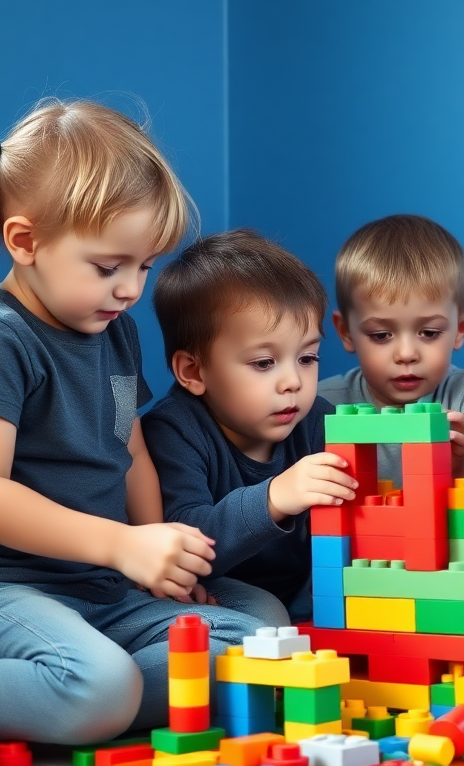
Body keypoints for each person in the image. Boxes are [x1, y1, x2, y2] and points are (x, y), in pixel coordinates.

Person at [0, 100, 284, 763]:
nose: (130, 289)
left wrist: (161, 563)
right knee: (100, 689)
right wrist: (119, 546)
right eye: (108, 267)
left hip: (96, 590)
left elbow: (129, 451)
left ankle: (72, 686)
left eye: (145, 266)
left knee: (267, 634)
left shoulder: (115, 332)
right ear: (24, 242)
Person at [142, 229, 358, 623]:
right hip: (214, 591)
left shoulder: (318, 422)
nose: (292, 381)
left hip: (303, 597)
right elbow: (187, 540)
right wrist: (274, 497)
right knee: (265, 616)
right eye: (264, 363)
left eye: (307, 358)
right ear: (193, 371)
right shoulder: (172, 432)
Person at [319, 214, 464, 503]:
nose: (406, 354)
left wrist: (462, 469)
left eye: (429, 332)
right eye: (382, 335)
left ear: (460, 328)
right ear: (346, 333)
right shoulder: (321, 403)